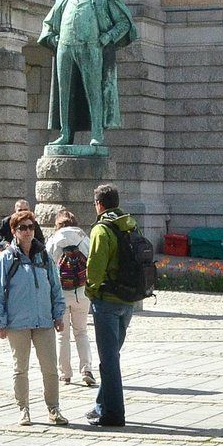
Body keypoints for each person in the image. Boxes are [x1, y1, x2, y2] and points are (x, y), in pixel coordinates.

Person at [0, 206, 67, 427]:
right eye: (23, 228)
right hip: (17, 323)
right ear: (14, 231)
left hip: (44, 321)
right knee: (20, 368)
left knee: (50, 368)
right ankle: (24, 409)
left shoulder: (43, 256)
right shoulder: (7, 258)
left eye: (31, 227)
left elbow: (55, 286)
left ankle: (54, 409)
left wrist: (58, 314)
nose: (28, 231)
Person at [84, 183, 141, 429]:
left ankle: (114, 415)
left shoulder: (101, 230)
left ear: (99, 204)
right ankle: (100, 406)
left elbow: (94, 268)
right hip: (128, 300)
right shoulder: (129, 224)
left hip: (106, 300)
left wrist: (90, 293)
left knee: (108, 361)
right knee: (112, 356)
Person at [46, 208, 97, 389]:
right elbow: (93, 262)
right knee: (81, 332)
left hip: (61, 293)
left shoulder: (53, 241)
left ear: (57, 225)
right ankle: (86, 370)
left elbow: (48, 268)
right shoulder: (84, 239)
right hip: (82, 292)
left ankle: (65, 374)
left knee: (62, 335)